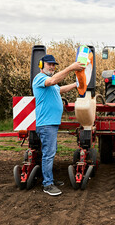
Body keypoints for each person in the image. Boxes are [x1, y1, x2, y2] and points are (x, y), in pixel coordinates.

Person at [32, 54, 85, 196]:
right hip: (45, 124)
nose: (52, 67)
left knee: (50, 151)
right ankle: (47, 185)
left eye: (54, 65)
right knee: (48, 154)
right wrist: (71, 68)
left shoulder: (51, 83)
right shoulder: (40, 79)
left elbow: (59, 89)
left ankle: (49, 180)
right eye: (49, 64)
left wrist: (75, 85)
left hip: (51, 123)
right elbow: (53, 80)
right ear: (41, 65)